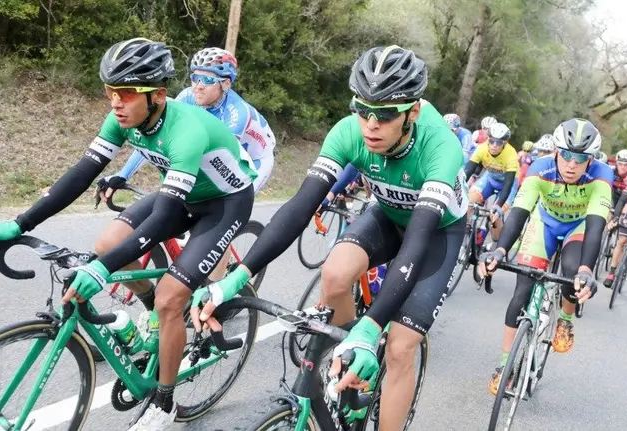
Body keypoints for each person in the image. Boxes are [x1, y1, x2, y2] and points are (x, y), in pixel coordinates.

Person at [0, 38, 258, 429]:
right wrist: (20, 223)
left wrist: (101, 271)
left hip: (224, 203)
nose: (115, 102)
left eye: (125, 93)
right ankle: (153, 323)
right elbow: (80, 175)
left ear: (158, 95)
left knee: (171, 297)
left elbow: (163, 218)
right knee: (108, 244)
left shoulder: (186, 130)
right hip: (183, 193)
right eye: (110, 92)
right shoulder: (123, 119)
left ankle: (165, 401)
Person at [191, 45, 468, 430]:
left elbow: (417, 242)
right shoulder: (348, 132)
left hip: (436, 232)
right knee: (334, 275)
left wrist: (371, 330)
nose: (371, 124)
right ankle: (352, 371)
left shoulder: (440, 147)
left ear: (413, 112)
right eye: (362, 109)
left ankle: (370, 360)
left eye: (385, 114)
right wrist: (236, 279)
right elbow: (299, 208)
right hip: (386, 214)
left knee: (402, 347)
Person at [477, 118, 612, 394]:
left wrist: (587, 270)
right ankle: (505, 366)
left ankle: (565, 320)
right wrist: (500, 250)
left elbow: (596, 225)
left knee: (573, 271)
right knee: (522, 291)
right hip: (545, 223)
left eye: (580, 158)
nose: (572, 164)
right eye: (566, 155)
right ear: (556, 153)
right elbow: (519, 214)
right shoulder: (540, 168)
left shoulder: (602, 176)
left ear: (591, 160)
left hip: (579, 225)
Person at [100, 47, 276, 197]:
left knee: (228, 202)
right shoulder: (186, 97)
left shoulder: (236, 113)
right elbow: (152, 140)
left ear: (226, 83)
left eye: (207, 80)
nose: (198, 86)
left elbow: (222, 160)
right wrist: (123, 174)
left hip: (255, 158)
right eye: (195, 78)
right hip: (217, 149)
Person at [464, 122, 519, 247]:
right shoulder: (482, 148)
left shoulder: (511, 155)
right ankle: (468, 230)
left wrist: (498, 206)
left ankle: (495, 244)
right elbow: (468, 171)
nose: (494, 145)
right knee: (469, 201)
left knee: (495, 215)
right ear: (488, 139)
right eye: (492, 141)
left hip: (507, 185)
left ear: (505, 143)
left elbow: (508, 185)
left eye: (499, 143)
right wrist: (458, 188)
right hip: (489, 179)